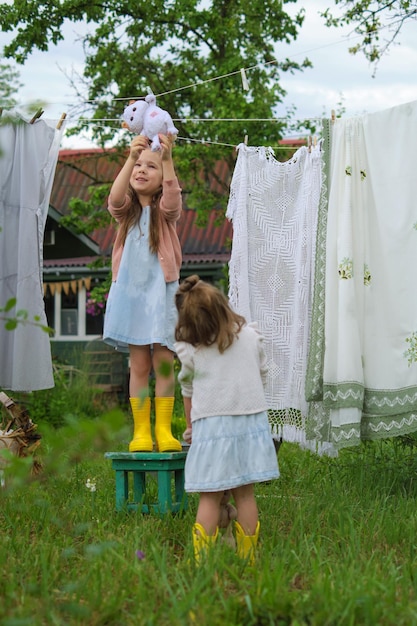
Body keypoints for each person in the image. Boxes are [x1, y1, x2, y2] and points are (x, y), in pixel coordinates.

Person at [174, 275, 279, 564]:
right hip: (250, 423)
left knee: (209, 497)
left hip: (211, 426)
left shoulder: (192, 348)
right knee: (245, 495)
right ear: (223, 306)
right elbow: (263, 375)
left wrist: (191, 427)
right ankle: (249, 559)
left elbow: (188, 391)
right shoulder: (249, 336)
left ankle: (202, 562)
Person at [103, 133, 182, 453]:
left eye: (151, 167)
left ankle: (163, 430)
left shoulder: (165, 212)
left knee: (164, 364)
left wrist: (166, 157)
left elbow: (173, 198)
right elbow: (115, 197)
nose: (142, 170)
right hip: (132, 298)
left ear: (161, 176)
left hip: (162, 296)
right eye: (138, 166)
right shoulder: (126, 212)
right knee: (138, 367)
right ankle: (140, 431)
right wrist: (129, 157)